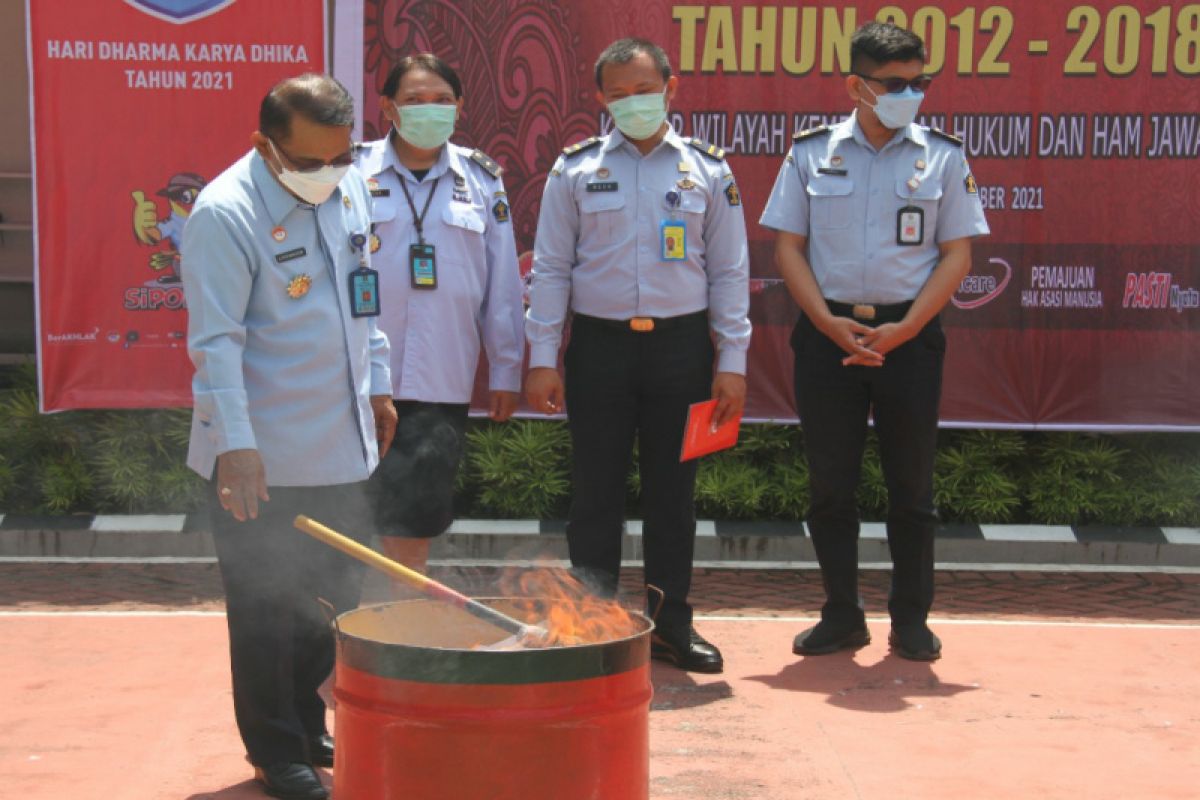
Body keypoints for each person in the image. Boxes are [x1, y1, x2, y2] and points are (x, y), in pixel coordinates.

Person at [181, 73, 397, 800]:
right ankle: (276, 749)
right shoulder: (224, 212)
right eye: (309, 164)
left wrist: (381, 382)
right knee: (267, 605)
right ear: (264, 146)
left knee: (329, 598)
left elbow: (365, 297)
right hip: (262, 453)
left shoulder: (349, 185)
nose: (327, 176)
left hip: (342, 438)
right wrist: (235, 447)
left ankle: (306, 721)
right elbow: (215, 343)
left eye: (342, 157)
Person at [760, 22, 989, 662]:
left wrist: (908, 326)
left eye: (920, 82)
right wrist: (830, 324)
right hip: (827, 334)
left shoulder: (943, 154)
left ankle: (910, 621)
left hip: (909, 339)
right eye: (894, 84)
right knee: (831, 487)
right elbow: (788, 248)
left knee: (912, 489)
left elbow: (957, 256)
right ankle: (841, 615)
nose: (910, 93)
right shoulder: (809, 153)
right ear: (856, 85)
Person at [525, 38, 752, 674]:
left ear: (671, 89)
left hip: (682, 351)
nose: (633, 102)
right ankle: (588, 622)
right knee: (594, 492)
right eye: (618, 93)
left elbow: (731, 273)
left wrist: (731, 362)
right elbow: (550, 270)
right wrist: (544, 354)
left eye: (644, 89)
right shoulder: (575, 169)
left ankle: (670, 622)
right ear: (600, 99)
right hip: (598, 348)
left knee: (673, 492)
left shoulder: (709, 170)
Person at [356, 54, 524, 576]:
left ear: (459, 108)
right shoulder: (351, 173)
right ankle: (341, 632)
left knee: (415, 515)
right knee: (346, 510)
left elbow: (502, 285)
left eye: (441, 101)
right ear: (387, 107)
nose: (429, 111)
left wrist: (505, 369)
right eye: (413, 100)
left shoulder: (481, 179)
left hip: (440, 378)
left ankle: (400, 626)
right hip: (356, 376)